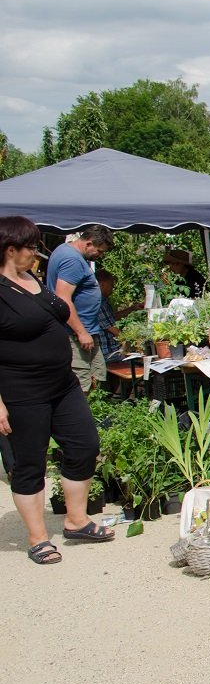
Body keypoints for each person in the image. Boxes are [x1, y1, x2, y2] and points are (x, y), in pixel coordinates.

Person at [0, 216, 113, 565]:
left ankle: (76, 519)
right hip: (21, 389)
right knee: (29, 462)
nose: (37, 253)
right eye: (31, 247)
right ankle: (37, 538)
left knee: (84, 445)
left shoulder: (30, 278)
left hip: (61, 384)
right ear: (10, 249)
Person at [46, 225, 114, 392]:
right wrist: (81, 332)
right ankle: (80, 417)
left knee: (97, 376)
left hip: (87, 330)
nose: (100, 255)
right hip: (76, 334)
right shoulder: (72, 260)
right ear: (88, 243)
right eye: (99, 251)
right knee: (81, 384)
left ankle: (93, 415)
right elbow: (63, 299)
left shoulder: (65, 251)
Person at [93, 268, 125, 362]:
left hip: (111, 351)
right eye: (111, 285)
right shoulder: (99, 303)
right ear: (102, 284)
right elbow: (113, 329)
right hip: (110, 353)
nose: (112, 289)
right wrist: (132, 340)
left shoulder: (102, 301)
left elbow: (112, 317)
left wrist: (132, 308)